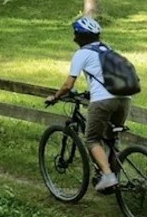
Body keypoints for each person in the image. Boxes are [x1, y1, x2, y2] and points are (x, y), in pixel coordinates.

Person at [46, 16, 128, 192]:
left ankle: (108, 176)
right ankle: (114, 176)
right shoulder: (107, 49)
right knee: (111, 138)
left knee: (91, 139)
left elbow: (69, 85)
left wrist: (55, 97)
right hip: (125, 98)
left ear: (82, 36)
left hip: (104, 100)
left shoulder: (81, 53)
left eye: (75, 34)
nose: (74, 38)